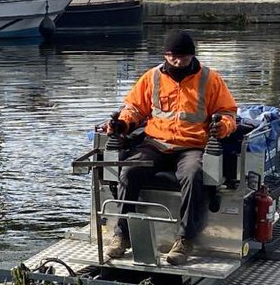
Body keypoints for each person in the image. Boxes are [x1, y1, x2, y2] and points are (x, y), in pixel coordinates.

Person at [101, 30, 238, 265]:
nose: (177, 62)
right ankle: (122, 235)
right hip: (156, 144)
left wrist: (222, 127)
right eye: (173, 57)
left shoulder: (210, 79)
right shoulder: (152, 77)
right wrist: (122, 123)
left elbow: (228, 113)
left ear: (192, 56)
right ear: (165, 55)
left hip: (192, 146)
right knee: (129, 171)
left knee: (194, 173)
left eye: (183, 58)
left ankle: (185, 239)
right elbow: (134, 108)